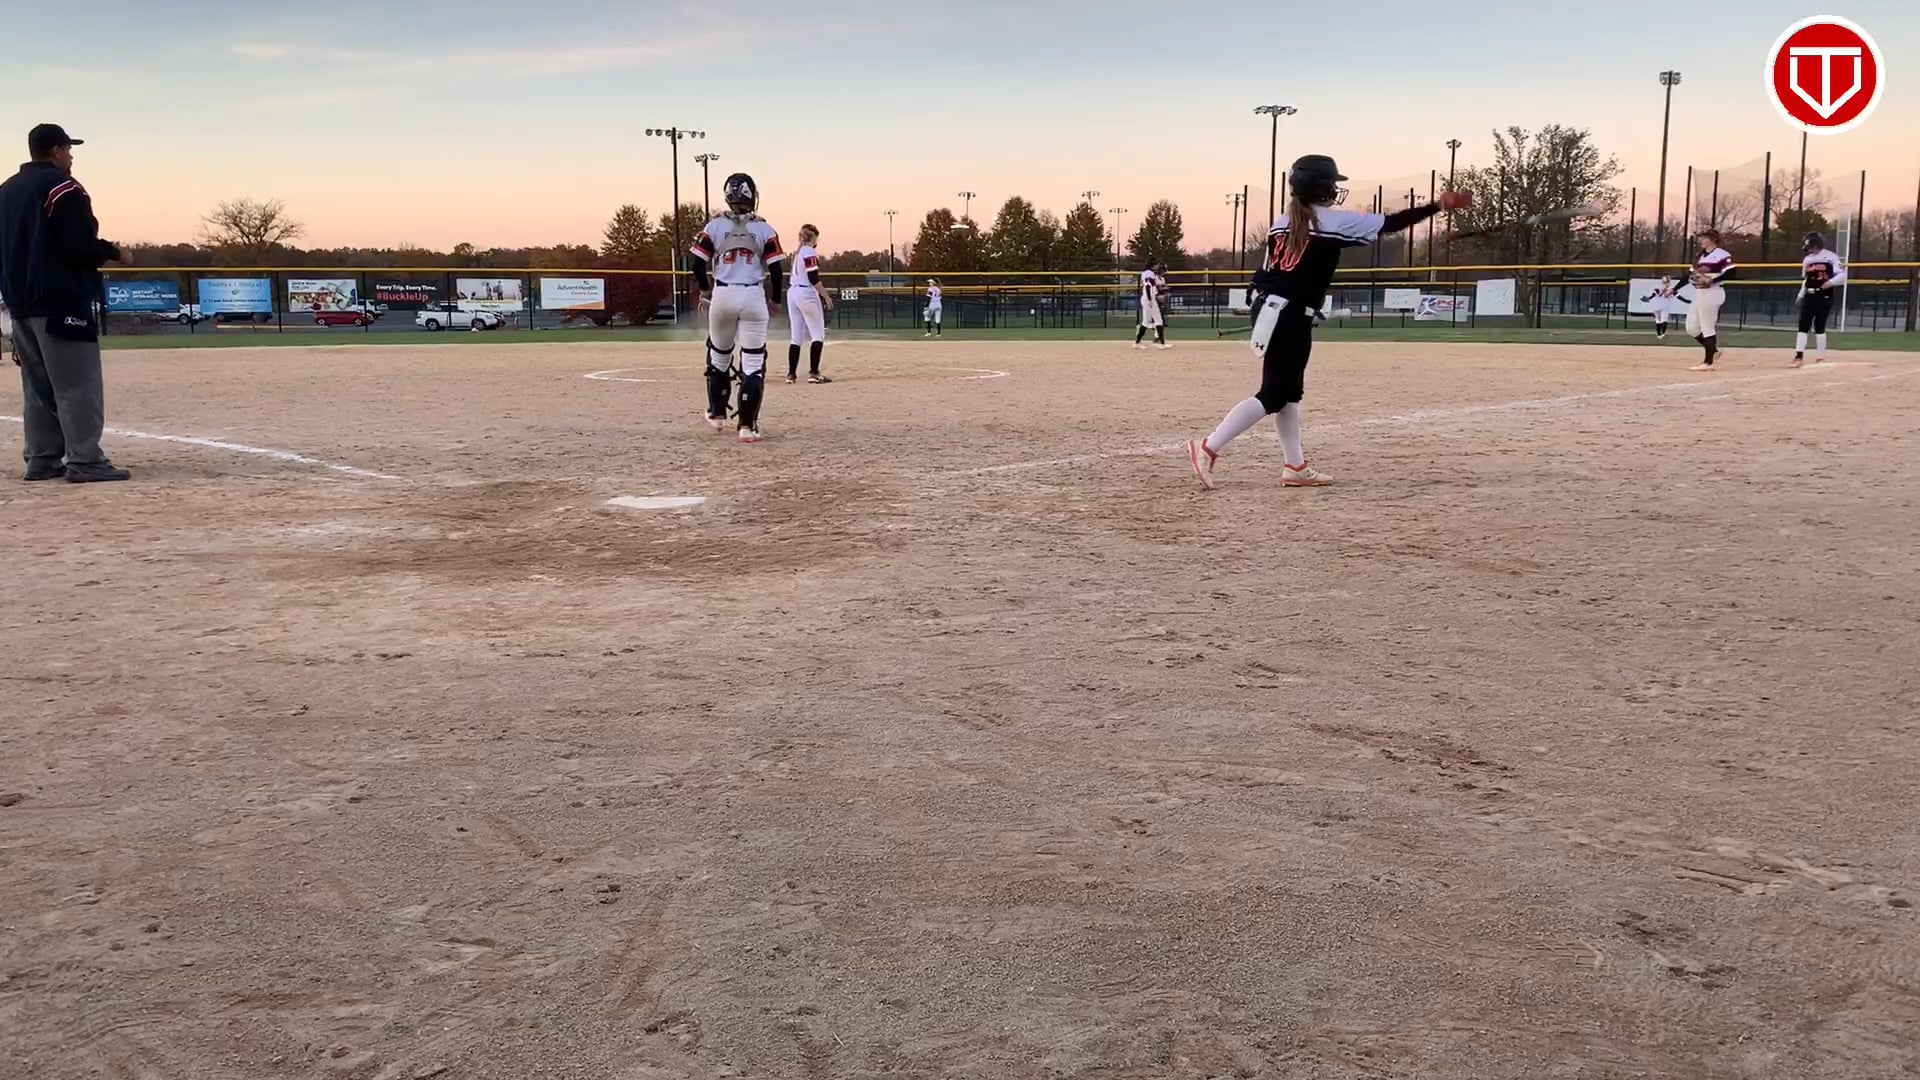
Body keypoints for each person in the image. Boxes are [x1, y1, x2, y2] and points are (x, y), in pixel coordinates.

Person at [1186, 154, 1469, 490]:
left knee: (1289, 394)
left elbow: (1267, 272)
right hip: (1288, 314)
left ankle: (1295, 466)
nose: (1335, 189)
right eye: (1332, 183)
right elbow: (1391, 224)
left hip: (1274, 309)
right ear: (1321, 188)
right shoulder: (1330, 221)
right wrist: (1437, 206)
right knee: (1274, 394)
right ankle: (1209, 446)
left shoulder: (1282, 221)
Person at [0, 124, 131, 482]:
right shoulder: (63, 187)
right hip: (60, 300)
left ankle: (42, 459)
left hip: (20, 303)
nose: (71, 157)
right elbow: (77, 245)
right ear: (56, 151)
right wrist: (114, 252)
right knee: (76, 384)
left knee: (37, 385)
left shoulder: (6, 191)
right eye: (68, 150)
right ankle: (86, 460)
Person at [688, 173, 785, 443]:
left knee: (719, 356)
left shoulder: (715, 226)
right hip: (753, 295)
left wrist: (705, 289)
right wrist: (775, 300)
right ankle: (747, 426)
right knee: (753, 363)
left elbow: (697, 264)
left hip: (723, 294)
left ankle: (718, 414)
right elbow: (777, 269)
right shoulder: (765, 229)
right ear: (752, 196)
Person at [785, 223, 833, 384]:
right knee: (817, 334)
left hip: (793, 292)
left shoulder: (798, 253)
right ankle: (814, 373)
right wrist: (826, 296)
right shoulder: (809, 252)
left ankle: (791, 374)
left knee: (796, 336)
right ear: (814, 238)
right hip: (806, 293)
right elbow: (813, 278)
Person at [1793, 231, 1846, 368]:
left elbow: (1842, 275)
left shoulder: (1830, 257)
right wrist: (1801, 294)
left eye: (1810, 247)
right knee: (1803, 324)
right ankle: (1798, 356)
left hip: (1824, 294)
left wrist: (1830, 282)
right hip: (1809, 294)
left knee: (1819, 325)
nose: (1809, 250)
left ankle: (1820, 356)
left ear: (1817, 245)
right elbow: (1806, 280)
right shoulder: (1807, 260)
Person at [1685, 228, 1734, 372]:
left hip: (1713, 292)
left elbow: (1732, 273)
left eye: (1704, 237)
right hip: (1700, 293)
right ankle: (1714, 351)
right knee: (1692, 328)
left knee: (1707, 327)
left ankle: (1708, 362)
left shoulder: (1722, 254)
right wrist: (1674, 289)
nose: (1701, 240)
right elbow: (1689, 276)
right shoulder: (1699, 256)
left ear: (1712, 239)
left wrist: (1712, 280)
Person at [1134, 260, 1169, 350]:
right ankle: (1137, 343)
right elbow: (1148, 286)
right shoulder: (1149, 273)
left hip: (1150, 298)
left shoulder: (1149, 273)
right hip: (1148, 299)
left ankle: (1161, 343)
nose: (1157, 266)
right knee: (1148, 322)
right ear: (1153, 265)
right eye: (1157, 265)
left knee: (1157, 321)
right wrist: (1150, 299)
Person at [1640, 275, 1687, 339]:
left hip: (1657, 306)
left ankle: (1659, 334)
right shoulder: (1670, 289)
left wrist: (1649, 298)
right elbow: (1679, 296)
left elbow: (1653, 294)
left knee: (1659, 320)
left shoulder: (1659, 287)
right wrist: (1686, 301)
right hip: (1663, 306)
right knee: (1663, 320)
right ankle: (1662, 334)